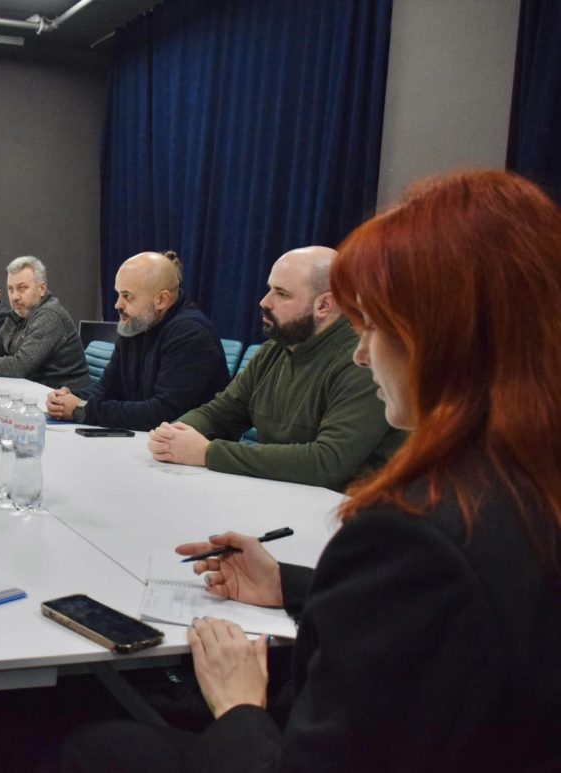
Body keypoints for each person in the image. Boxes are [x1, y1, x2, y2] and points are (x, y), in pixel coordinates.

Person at [63, 170, 561, 772]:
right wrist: (291, 584)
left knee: (91, 746)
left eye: (373, 327)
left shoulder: (416, 530)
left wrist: (238, 704)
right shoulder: (521, 483)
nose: (361, 352)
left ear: (442, 339)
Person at [148, 245, 405, 490]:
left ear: (324, 305)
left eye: (282, 294)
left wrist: (208, 453)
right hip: (283, 496)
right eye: (269, 289)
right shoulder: (273, 351)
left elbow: (328, 462)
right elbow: (220, 413)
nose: (264, 301)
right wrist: (174, 435)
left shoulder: (361, 363)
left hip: (347, 508)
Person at [46, 251, 229, 431]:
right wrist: (69, 398)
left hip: (192, 446)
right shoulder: (138, 324)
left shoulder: (191, 334)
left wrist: (83, 410)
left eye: (127, 296)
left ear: (161, 300)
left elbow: (163, 413)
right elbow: (107, 388)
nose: (117, 304)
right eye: (118, 294)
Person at [0, 255, 89, 389]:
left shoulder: (50, 315)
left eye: (22, 288)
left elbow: (20, 366)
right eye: (10, 289)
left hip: (61, 395)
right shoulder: (19, 312)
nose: (14, 296)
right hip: (33, 390)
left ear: (42, 289)